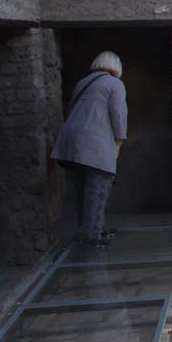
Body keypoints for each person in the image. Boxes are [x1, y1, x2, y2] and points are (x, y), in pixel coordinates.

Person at [51, 51, 128, 246]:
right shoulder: (114, 83)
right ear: (116, 66)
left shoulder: (82, 83)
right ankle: (93, 235)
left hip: (72, 143)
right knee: (98, 187)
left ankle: (89, 228)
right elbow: (118, 114)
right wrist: (119, 139)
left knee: (81, 189)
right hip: (95, 143)